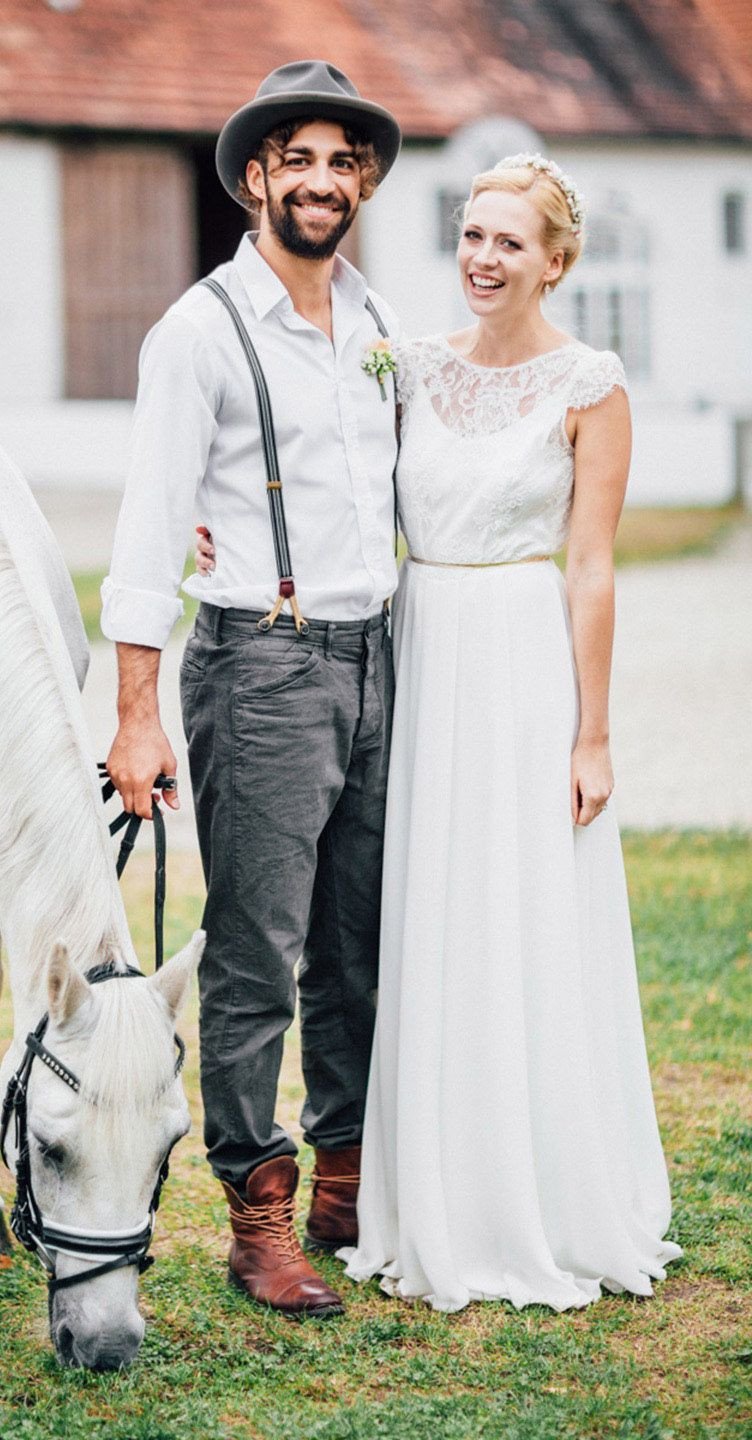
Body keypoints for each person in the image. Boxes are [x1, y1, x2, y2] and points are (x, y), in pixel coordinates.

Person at [197, 154, 681, 1312]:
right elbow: (323, 471)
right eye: (470, 234)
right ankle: (412, 1180)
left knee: (517, 909)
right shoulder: (405, 367)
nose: (481, 257)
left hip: (519, 660)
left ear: (556, 263)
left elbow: (595, 566)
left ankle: (536, 1187)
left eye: (509, 242)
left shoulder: (591, 385)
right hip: (416, 651)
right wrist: (218, 535)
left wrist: (593, 733)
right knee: (414, 911)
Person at [101, 61, 402, 1318]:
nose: (322, 180)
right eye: (299, 159)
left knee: (360, 942)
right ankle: (257, 1211)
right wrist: (135, 713)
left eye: (343, 160)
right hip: (263, 665)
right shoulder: (200, 331)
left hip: (381, 656)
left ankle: (343, 1179)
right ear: (254, 179)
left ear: (363, 181)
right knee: (256, 955)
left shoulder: (379, 325)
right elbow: (147, 527)